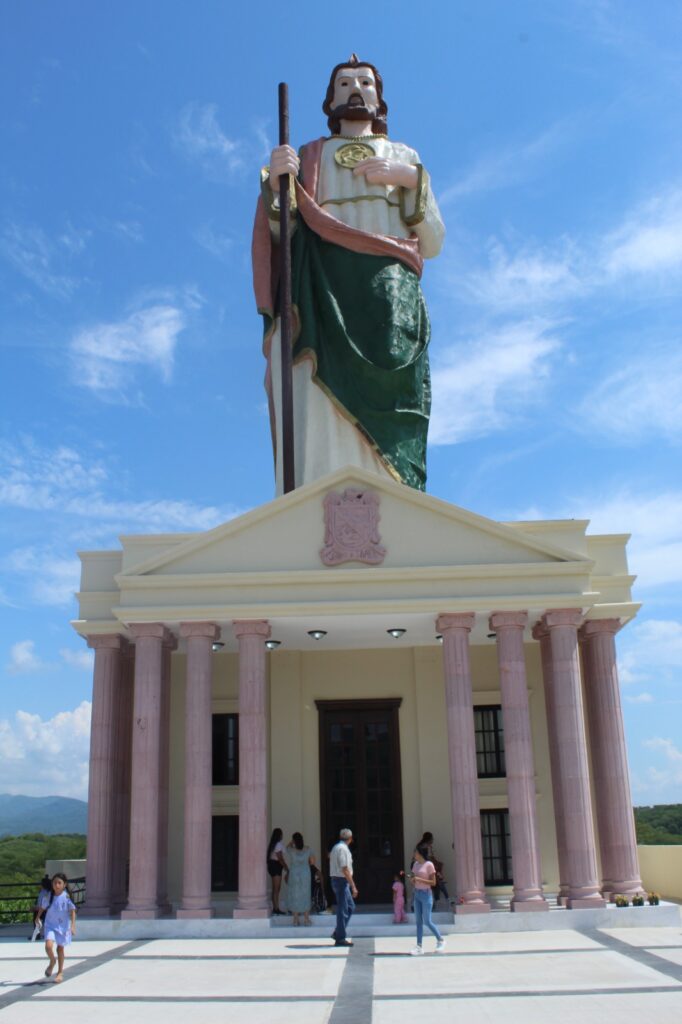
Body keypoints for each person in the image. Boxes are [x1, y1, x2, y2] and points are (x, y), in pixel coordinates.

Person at [253, 55, 445, 495]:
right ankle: (318, 494)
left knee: (394, 393)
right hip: (321, 286)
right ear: (330, 99)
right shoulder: (308, 156)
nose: (355, 89)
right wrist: (279, 184)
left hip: (388, 290)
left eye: (364, 82)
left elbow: (432, 242)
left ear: (380, 97)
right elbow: (282, 233)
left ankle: (393, 496)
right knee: (315, 389)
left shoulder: (405, 157)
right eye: (344, 83)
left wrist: (411, 181)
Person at [409, 842, 445, 955]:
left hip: (426, 894)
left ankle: (440, 940)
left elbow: (433, 882)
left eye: (416, 851)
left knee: (427, 921)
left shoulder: (429, 865)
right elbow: (414, 879)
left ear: (420, 853)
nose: (414, 853)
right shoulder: (415, 865)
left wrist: (420, 880)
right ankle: (419, 946)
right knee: (418, 921)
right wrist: (413, 880)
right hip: (417, 894)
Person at [41, 873, 76, 982]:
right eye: (55, 882)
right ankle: (52, 961)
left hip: (62, 926)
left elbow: (72, 911)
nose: (56, 885)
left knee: (60, 948)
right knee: (48, 946)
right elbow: (42, 907)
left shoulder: (66, 897)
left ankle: (60, 972)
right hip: (50, 925)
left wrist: (73, 925)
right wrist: (37, 918)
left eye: (59, 883)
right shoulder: (49, 896)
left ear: (64, 884)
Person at [329, 827, 358, 946]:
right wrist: (353, 886)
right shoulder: (342, 849)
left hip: (339, 880)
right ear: (350, 839)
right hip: (341, 881)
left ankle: (338, 932)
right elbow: (344, 869)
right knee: (343, 909)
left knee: (350, 906)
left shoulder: (337, 847)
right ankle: (340, 938)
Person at [285, 832, 317, 926]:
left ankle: (295, 920)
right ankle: (306, 919)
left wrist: (292, 842)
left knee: (295, 895)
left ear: (294, 840)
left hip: (294, 874)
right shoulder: (308, 849)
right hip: (305, 873)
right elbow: (312, 861)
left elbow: (287, 847)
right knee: (305, 894)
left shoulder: (291, 850)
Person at [421, 831, 451, 905]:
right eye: (432, 838)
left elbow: (432, 858)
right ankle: (445, 899)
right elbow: (428, 859)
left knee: (438, 884)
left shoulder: (427, 847)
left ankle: (437, 901)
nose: (433, 840)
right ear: (428, 839)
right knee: (439, 884)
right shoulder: (425, 847)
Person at [266, 827, 289, 915]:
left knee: (276, 888)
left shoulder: (274, 844)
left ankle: (275, 907)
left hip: (273, 865)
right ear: (279, 835)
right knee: (276, 888)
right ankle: (276, 908)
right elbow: (280, 858)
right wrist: (286, 867)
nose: (282, 835)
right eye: (281, 833)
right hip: (276, 865)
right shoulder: (278, 844)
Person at [30, 874, 51, 942]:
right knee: (36, 915)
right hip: (43, 909)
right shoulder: (43, 892)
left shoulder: (45, 893)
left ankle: (37, 935)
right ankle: (37, 934)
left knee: (36, 916)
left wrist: (35, 908)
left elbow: (43, 906)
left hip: (45, 911)